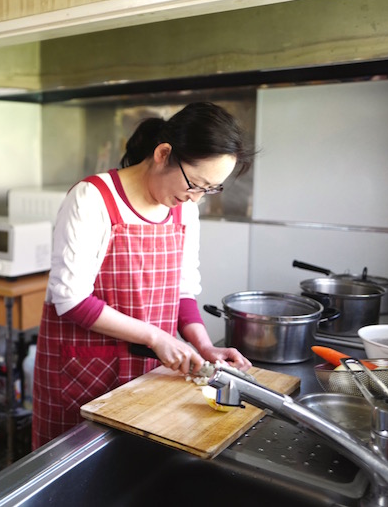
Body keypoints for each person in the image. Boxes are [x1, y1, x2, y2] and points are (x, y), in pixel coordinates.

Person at [32, 102, 254, 449]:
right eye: (196, 184)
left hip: (148, 375)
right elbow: (72, 301)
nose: (195, 199)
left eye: (210, 190)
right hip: (83, 377)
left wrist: (204, 345)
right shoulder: (93, 199)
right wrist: (156, 337)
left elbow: (183, 291)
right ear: (164, 153)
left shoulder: (184, 211)